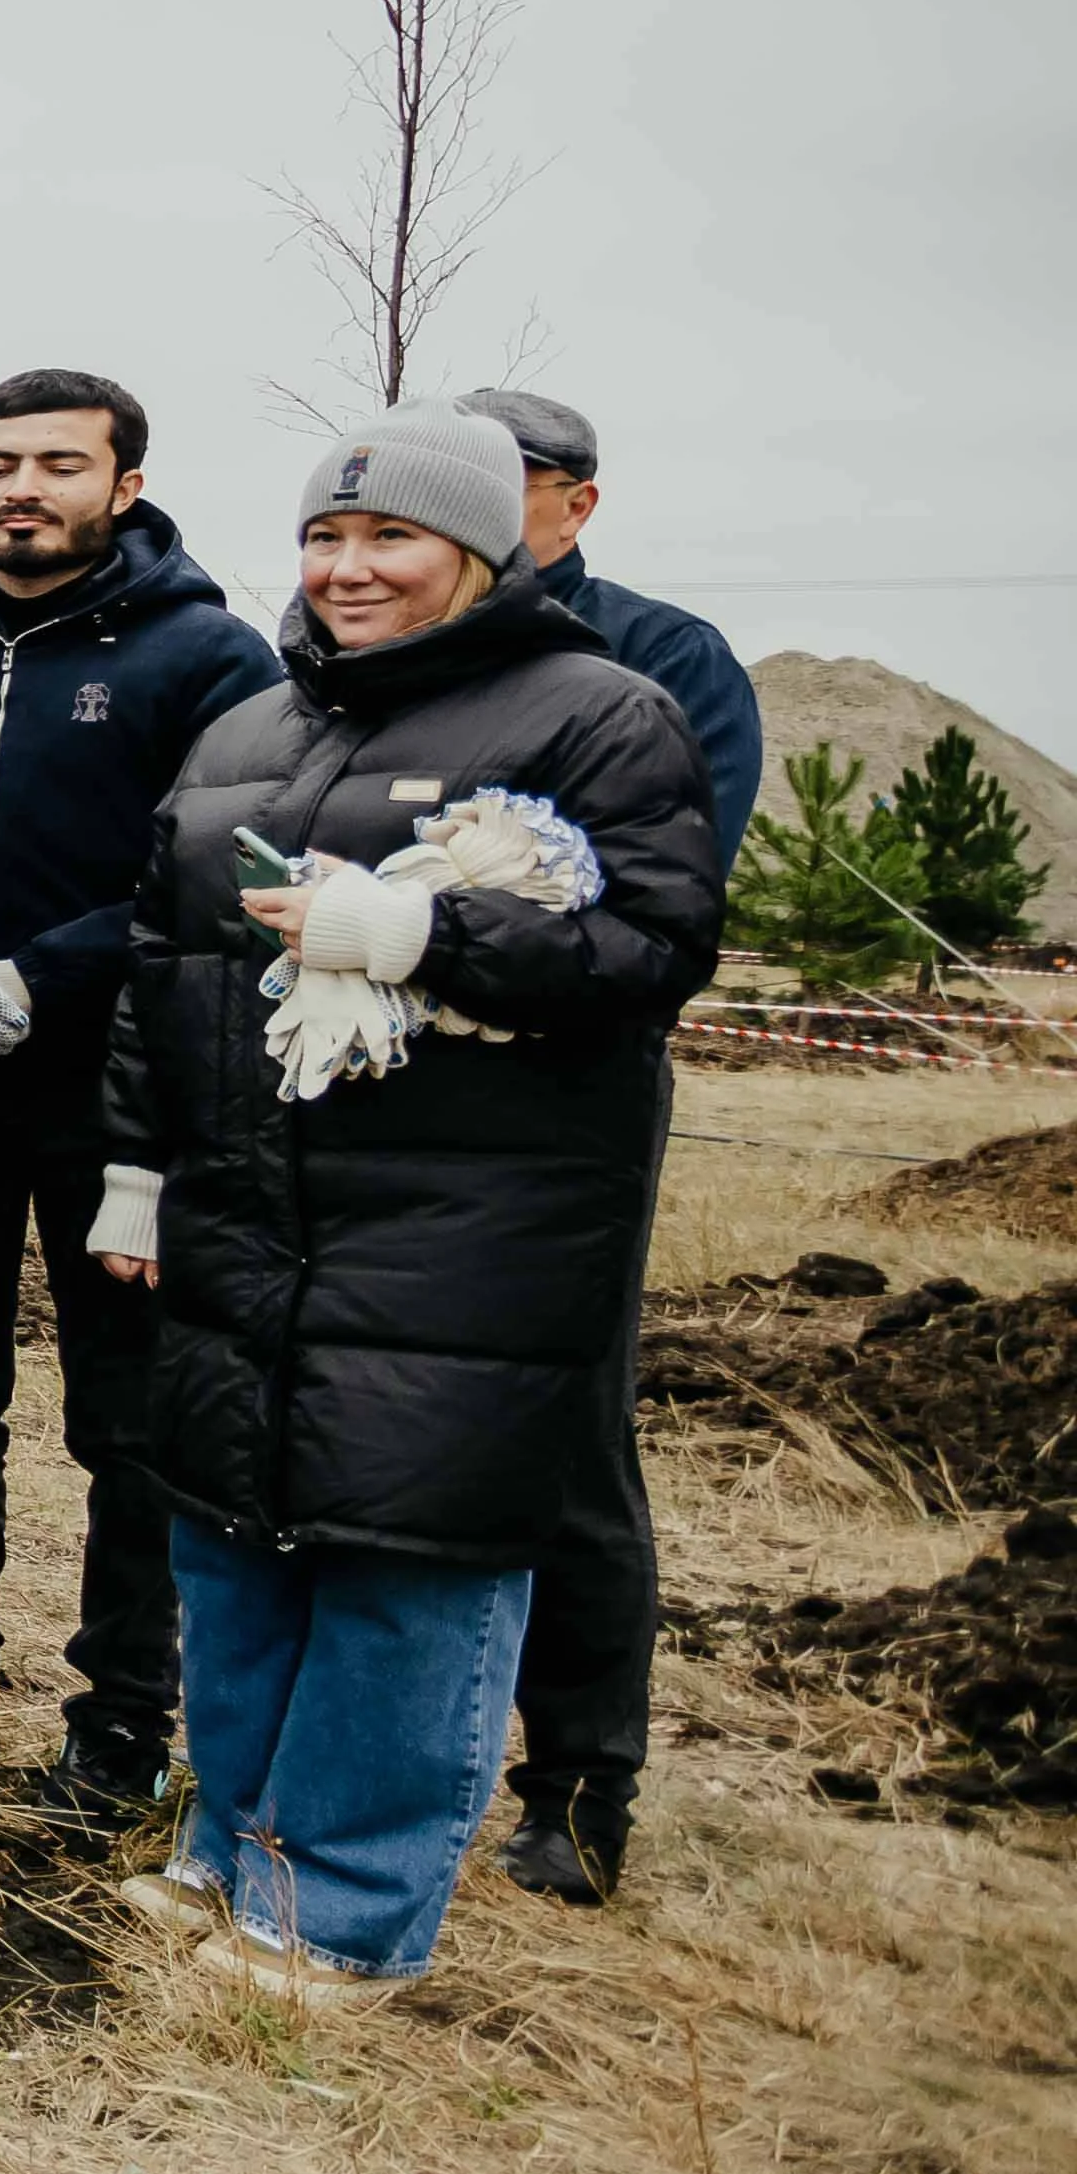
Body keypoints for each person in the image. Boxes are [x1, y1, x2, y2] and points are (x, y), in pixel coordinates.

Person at [92, 409, 720, 1990]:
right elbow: (159, 969)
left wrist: (425, 939)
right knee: (235, 1531)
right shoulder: (247, 729)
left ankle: (341, 1913)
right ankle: (227, 1844)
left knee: (401, 1549)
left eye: (392, 543)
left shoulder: (597, 716)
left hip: (467, 1220)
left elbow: (650, 952)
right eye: (326, 538)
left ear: (482, 552)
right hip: (248, 1200)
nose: (351, 569)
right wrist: (133, 1169)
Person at [0, 371, 281, 1815]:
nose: (19, 487)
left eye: (56, 464)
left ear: (125, 486)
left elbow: (210, 866)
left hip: (121, 1089)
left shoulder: (208, 661)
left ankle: (122, 1715)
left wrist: (45, 975)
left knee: (127, 1414)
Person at [455, 385, 755, 1902]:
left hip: (561, 1113)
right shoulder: (376, 659)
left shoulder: (658, 662)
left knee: (566, 1435)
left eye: (503, 485)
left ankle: (577, 1783)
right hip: (379, 1118)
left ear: (577, 502)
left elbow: (655, 908)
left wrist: (437, 940)